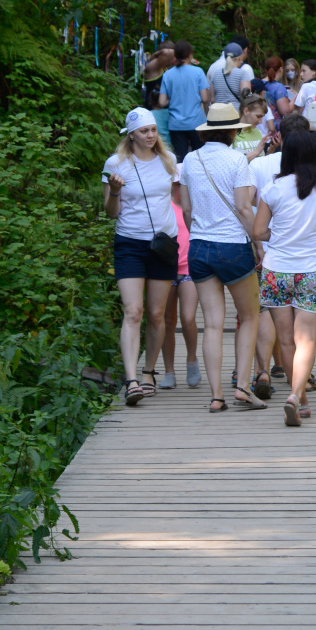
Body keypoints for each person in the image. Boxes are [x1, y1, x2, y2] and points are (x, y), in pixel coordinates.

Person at [252, 129, 316, 427]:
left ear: (287, 156)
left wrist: (277, 235)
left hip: (276, 269)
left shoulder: (273, 188)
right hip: (310, 271)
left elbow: (258, 232)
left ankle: (299, 398)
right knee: (306, 338)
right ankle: (297, 395)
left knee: (285, 338)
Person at [178, 102, 266, 414]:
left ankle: (217, 396)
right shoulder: (237, 160)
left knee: (212, 324)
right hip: (232, 247)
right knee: (250, 316)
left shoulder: (189, 159)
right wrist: (258, 244)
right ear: (232, 131)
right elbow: (244, 208)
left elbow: (186, 210)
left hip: (199, 247)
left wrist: (199, 233)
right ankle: (242, 386)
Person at [102, 106, 179, 406]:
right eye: (144, 131)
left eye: (153, 130)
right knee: (133, 311)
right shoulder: (116, 164)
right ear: (130, 134)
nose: (150, 135)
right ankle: (132, 379)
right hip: (130, 243)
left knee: (157, 314)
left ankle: (149, 372)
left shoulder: (168, 160)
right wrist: (115, 191)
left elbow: (177, 198)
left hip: (163, 244)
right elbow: (110, 213)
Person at [159, 199, 201, 389]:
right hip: (165, 266)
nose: (176, 186)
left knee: (188, 317)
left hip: (189, 267)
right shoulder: (161, 202)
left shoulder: (194, 202)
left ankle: (192, 360)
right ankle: (169, 371)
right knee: (167, 320)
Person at [157, 39, 211, 161]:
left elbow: (161, 102)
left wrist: (173, 100)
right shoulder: (198, 72)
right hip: (197, 122)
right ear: (190, 54)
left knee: (180, 160)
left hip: (176, 124)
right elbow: (205, 98)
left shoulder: (168, 74)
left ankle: (181, 180)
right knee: (200, 158)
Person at [206, 41, 254, 108]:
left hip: (218, 115)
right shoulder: (242, 74)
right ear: (240, 58)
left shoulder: (216, 74)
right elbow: (246, 98)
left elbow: (212, 99)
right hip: (236, 114)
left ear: (225, 58)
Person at [235, 93, 270, 158]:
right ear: (246, 111)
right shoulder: (232, 134)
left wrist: (272, 148)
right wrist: (256, 152)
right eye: (258, 116)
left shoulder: (258, 132)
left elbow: (262, 161)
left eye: (262, 117)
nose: (260, 121)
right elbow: (233, 163)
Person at [142, 43, 175, 108]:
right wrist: (156, 54)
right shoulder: (152, 68)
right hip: (153, 112)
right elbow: (168, 52)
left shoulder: (165, 69)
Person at [262, 56, 294, 123]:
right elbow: (285, 112)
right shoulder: (278, 87)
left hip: (260, 124)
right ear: (281, 69)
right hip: (274, 127)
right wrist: (295, 98)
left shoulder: (259, 83)